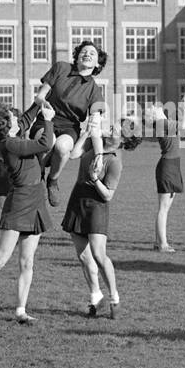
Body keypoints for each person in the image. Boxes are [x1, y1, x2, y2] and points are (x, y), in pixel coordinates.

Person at [0, 101, 56, 326]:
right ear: (7, 125)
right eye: (13, 117)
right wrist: (48, 118)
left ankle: (20, 311)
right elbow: (45, 143)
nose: (18, 118)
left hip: (36, 199)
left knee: (27, 262)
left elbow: (25, 118)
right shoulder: (11, 143)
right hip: (19, 203)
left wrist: (39, 102)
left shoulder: (12, 137)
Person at [62, 120, 128, 318]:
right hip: (77, 201)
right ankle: (96, 296)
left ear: (122, 139)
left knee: (99, 255)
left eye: (115, 130)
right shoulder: (94, 143)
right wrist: (88, 133)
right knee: (83, 256)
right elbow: (73, 154)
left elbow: (108, 195)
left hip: (97, 206)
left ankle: (114, 298)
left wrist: (95, 179)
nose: (110, 129)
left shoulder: (115, 161)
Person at [31, 41, 106, 208]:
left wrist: (99, 155)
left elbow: (95, 126)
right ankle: (38, 178)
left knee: (63, 146)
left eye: (92, 53)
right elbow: (40, 96)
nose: (87, 54)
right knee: (47, 142)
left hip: (69, 126)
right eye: (83, 51)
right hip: (46, 118)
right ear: (77, 56)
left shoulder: (95, 91)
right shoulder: (61, 68)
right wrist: (42, 101)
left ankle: (53, 180)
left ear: (97, 64)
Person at [151, 102, 185, 252]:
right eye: (154, 107)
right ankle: (163, 244)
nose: (156, 105)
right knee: (163, 208)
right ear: (154, 114)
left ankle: (158, 241)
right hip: (167, 167)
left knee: (165, 208)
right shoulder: (163, 123)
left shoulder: (164, 123)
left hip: (172, 165)